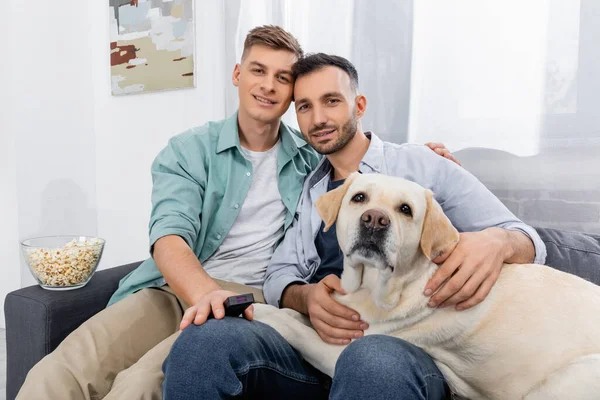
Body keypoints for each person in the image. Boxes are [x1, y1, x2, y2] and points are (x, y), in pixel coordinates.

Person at [16, 27, 453, 400]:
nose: (267, 85)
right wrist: (204, 291)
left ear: (291, 97)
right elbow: (169, 234)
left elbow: (360, 155)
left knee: (139, 386)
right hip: (174, 285)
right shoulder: (190, 150)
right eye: (258, 71)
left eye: (282, 78)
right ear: (237, 74)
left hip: (251, 303)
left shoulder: (311, 160)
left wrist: (426, 155)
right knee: (55, 374)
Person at [161, 54, 548, 399]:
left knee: (370, 360)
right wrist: (306, 297)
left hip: (403, 349)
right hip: (317, 348)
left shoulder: (423, 166)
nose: (319, 119)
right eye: (305, 107)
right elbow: (279, 274)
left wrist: (497, 242)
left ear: (358, 105)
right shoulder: (306, 187)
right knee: (205, 340)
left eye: (332, 101)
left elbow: (527, 238)